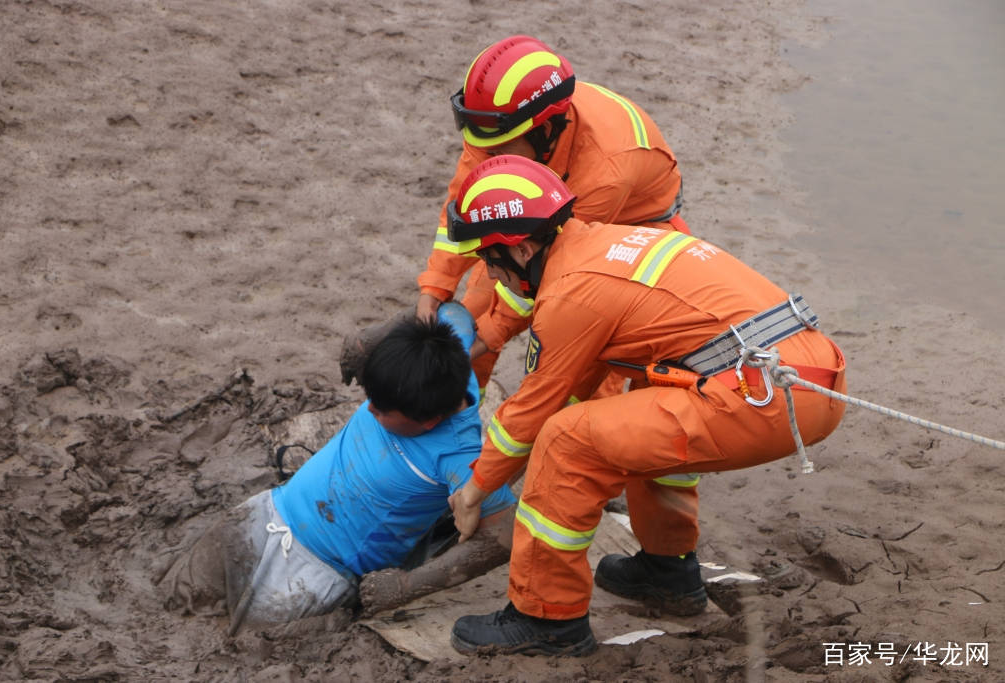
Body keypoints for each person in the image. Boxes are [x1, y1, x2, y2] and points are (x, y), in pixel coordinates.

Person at [443, 156, 847, 656]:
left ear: (523, 248)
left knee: (567, 441)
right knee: (641, 412)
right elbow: (571, 385)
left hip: (765, 397)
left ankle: (545, 619)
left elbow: (535, 409)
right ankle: (667, 571)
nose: (491, 274)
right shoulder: (604, 244)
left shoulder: (571, 292)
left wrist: (474, 489)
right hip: (812, 377)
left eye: (490, 260)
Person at [161, 304, 516, 633]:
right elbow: (453, 310)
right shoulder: (444, 356)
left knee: (245, 644)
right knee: (174, 596)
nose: (370, 411)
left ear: (429, 422)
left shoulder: (460, 459)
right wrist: (379, 335)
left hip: (314, 575)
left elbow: (505, 535)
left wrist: (409, 586)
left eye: (381, 412)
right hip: (264, 513)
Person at [417, 35, 686, 391]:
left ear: (544, 130)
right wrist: (435, 289)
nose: (489, 160)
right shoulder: (493, 131)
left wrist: (491, 335)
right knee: (476, 314)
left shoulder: (604, 171)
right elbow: (464, 212)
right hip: (553, 195)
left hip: (628, 228)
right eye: (482, 150)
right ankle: (462, 419)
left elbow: (544, 266)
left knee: (589, 352)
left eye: (498, 150)